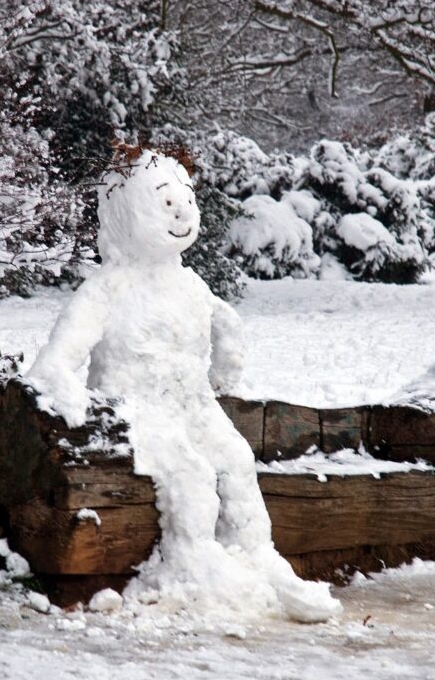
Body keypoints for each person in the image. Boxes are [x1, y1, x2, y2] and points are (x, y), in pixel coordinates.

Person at [27, 145, 341, 622]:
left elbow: (223, 333)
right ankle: (194, 562)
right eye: (163, 202)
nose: (181, 211)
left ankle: (257, 555)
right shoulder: (109, 288)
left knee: (236, 459)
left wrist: (224, 369)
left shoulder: (190, 284)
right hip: (136, 410)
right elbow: (57, 361)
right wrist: (66, 394)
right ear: (124, 212)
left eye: (186, 199)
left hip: (192, 403)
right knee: (191, 474)